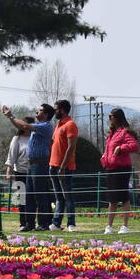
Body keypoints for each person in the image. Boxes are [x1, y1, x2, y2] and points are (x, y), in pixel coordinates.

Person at [3, 104, 56, 230]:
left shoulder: (45, 126)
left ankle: (44, 224)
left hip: (40, 164)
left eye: (40, 110)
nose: (37, 111)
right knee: (28, 195)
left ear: (46, 114)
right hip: (31, 165)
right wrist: (11, 118)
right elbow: (22, 126)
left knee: (40, 194)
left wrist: (11, 115)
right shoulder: (31, 130)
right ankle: (29, 223)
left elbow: (24, 125)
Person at [100, 108, 140, 234]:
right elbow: (109, 150)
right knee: (112, 198)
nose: (109, 118)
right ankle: (109, 227)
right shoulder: (111, 133)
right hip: (111, 169)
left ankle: (125, 226)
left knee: (123, 197)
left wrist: (121, 148)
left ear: (117, 117)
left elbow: (134, 146)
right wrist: (104, 157)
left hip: (122, 168)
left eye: (111, 116)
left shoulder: (124, 132)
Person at [49, 99, 79, 232]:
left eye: (56, 109)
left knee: (68, 197)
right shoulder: (58, 125)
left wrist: (62, 167)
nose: (54, 111)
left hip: (64, 168)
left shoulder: (70, 124)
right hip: (53, 165)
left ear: (62, 109)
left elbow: (71, 147)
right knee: (59, 197)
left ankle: (71, 224)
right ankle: (56, 223)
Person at [4, 128, 32, 232]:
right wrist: (9, 170)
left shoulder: (33, 137)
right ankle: (23, 223)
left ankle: (31, 223)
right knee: (21, 199)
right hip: (19, 172)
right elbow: (11, 155)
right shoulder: (17, 139)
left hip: (31, 172)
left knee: (31, 199)